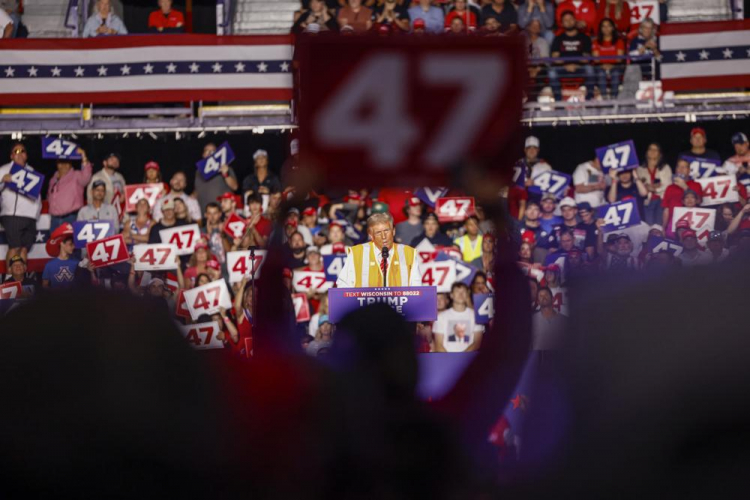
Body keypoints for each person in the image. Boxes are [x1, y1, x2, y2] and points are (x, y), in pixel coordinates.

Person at [336, 212, 421, 288]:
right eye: (378, 233)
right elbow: (343, 285)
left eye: (386, 231)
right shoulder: (357, 253)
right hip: (365, 305)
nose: (383, 236)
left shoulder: (408, 253)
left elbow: (417, 288)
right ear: (371, 236)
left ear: (393, 231)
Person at [0, 143, 42, 267]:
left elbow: (38, 196)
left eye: (22, 150)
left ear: (26, 155)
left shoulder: (32, 172)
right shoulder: (3, 170)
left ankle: (21, 281)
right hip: (12, 215)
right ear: (11, 155)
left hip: (30, 217)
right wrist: (2, 181)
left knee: (24, 249)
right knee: (14, 248)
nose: (19, 153)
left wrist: (36, 214)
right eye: (16, 151)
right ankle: (9, 281)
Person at [549, 10, 596, 102]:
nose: (569, 22)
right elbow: (555, 58)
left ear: (575, 20)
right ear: (562, 23)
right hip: (563, 68)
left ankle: (589, 98)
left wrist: (575, 64)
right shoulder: (558, 38)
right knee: (552, 72)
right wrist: (567, 65)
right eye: (566, 20)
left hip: (580, 67)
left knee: (590, 69)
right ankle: (558, 100)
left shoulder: (584, 37)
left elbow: (586, 59)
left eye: (571, 19)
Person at [47, 148, 93, 233]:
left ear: (71, 164)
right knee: (54, 245)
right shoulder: (53, 179)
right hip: (54, 219)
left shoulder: (76, 175)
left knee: (71, 244)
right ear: (57, 164)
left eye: (66, 162)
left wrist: (83, 156)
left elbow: (86, 177)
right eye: (61, 162)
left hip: (70, 218)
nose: (64, 165)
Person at [433, 282, 484, 352]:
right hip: (447, 360)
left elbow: (477, 343)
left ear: (467, 294)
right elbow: (438, 344)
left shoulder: (476, 316)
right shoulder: (441, 317)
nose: (461, 294)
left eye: (463, 291)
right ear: (451, 295)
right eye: (457, 291)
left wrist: (462, 358)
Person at [635, 143, 672, 226]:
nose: (652, 151)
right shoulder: (640, 169)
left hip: (662, 201)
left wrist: (654, 189)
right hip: (647, 201)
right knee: (648, 226)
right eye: (650, 149)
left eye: (655, 150)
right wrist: (648, 187)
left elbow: (668, 185)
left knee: (658, 226)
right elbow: (639, 185)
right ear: (647, 152)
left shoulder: (665, 167)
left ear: (660, 153)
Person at [661, 158, 703, 231]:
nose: (681, 169)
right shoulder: (670, 188)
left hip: (692, 224)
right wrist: (664, 228)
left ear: (689, 170)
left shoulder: (696, 185)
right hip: (673, 225)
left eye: (684, 167)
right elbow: (666, 210)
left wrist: (685, 187)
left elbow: (699, 201)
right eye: (679, 167)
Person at [194, 143, 238, 211]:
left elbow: (235, 187)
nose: (209, 153)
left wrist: (226, 174)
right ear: (203, 154)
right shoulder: (198, 172)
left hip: (222, 212)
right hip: (206, 214)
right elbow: (198, 188)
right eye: (207, 151)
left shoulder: (225, 167)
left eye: (212, 151)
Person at [593, 18, 625, 99]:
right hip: (600, 66)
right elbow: (596, 59)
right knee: (601, 73)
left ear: (613, 28)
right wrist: (604, 65)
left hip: (616, 66)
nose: (606, 28)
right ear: (600, 29)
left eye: (608, 26)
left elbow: (619, 59)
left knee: (616, 73)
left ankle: (614, 98)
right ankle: (604, 99)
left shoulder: (619, 41)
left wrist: (611, 65)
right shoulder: (596, 41)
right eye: (603, 26)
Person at [42, 223, 80, 289]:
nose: (73, 247)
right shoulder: (49, 265)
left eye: (74, 244)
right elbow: (45, 286)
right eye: (70, 244)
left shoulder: (77, 263)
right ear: (62, 244)